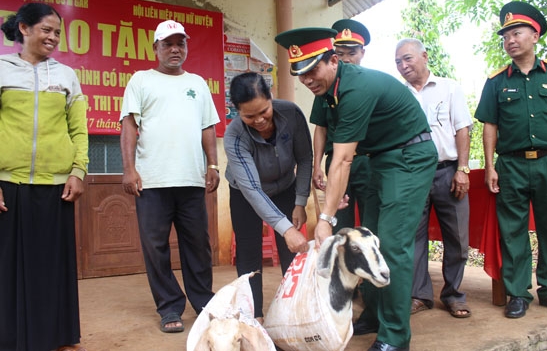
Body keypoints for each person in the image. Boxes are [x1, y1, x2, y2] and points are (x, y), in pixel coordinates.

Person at [276, 27, 438, 351]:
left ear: (333, 60)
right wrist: (335, 193)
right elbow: (339, 152)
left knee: (392, 246)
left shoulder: (356, 89)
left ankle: (395, 336)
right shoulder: (332, 90)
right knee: (370, 240)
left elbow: (343, 159)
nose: (306, 79)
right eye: (300, 73)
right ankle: (376, 315)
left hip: (409, 158)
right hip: (381, 160)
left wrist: (325, 217)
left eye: (312, 70)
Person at [475, 1, 547, 319]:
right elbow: (490, 126)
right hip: (510, 165)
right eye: (506, 35)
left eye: (517, 32)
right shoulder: (496, 81)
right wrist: (490, 166)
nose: (510, 39)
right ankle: (518, 293)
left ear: (535, 35)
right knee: (513, 230)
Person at [120, 20, 219, 333]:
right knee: (156, 247)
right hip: (152, 181)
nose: (175, 49)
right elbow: (129, 126)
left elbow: (207, 127)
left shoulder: (199, 83)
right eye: (168, 44)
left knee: (198, 246)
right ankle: (169, 306)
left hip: (190, 181)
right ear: (156, 48)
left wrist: (213, 165)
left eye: (181, 43)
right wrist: (129, 168)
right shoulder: (141, 80)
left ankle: (204, 302)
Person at [0, 3, 89, 351]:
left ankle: (55, 335)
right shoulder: (2, 70)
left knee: (50, 268)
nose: (52, 37)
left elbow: (79, 131)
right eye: (46, 30)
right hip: (9, 184)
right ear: (24, 28)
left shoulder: (66, 76)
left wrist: (78, 171)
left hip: (55, 187)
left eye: (56, 32)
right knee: (7, 267)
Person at [395, 38, 473, 318]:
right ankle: (419, 295)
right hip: (413, 175)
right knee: (414, 237)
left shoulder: (449, 88)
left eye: (408, 59)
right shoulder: (397, 94)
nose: (403, 66)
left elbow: (463, 129)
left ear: (424, 56)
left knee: (457, 237)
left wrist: (462, 169)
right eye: (398, 62)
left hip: (447, 171)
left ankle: (453, 294)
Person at [223, 72, 311, 322]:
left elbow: (304, 158)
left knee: (291, 254)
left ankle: (293, 311)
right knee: (249, 253)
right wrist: (285, 228)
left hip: (286, 187)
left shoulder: (291, 114)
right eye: (249, 116)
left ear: (271, 98)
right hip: (245, 194)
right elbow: (251, 188)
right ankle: (254, 315)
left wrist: (300, 201)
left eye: (264, 111)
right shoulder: (234, 136)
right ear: (237, 111)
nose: (259, 120)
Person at [310, 19, 372, 232]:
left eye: (352, 53)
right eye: (341, 53)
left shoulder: (369, 86)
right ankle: (340, 265)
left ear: (362, 52)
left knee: (370, 223)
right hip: (336, 163)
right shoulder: (325, 86)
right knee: (338, 222)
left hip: (367, 163)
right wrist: (316, 165)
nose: (346, 59)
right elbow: (320, 127)